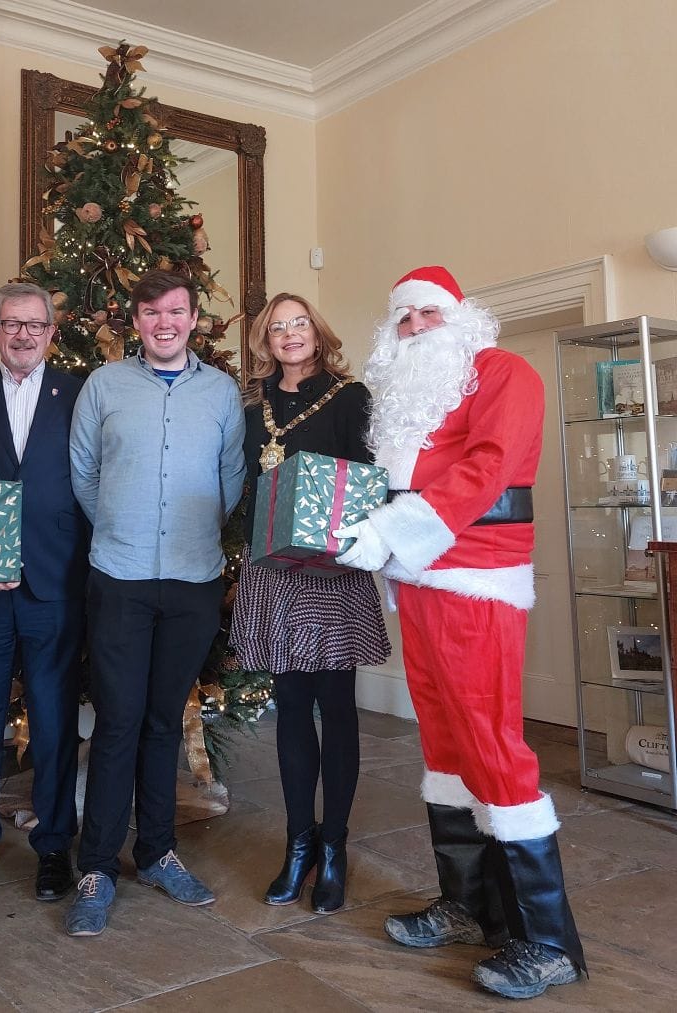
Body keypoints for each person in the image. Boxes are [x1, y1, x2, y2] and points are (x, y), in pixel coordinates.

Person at [333, 266, 586, 1000]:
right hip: (418, 582)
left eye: (428, 313)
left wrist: (390, 530)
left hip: (478, 580)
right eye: (403, 317)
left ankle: (548, 942)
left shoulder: (503, 372)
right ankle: (469, 904)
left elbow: (489, 466)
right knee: (444, 745)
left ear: (460, 316)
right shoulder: (406, 399)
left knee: (489, 741)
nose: (415, 326)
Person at [65, 269, 245, 936]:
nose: (164, 322)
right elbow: (84, 471)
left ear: (193, 318)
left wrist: (187, 532)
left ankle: (157, 852)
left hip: (194, 579)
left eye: (175, 311)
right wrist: (124, 523)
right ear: (135, 319)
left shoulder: (221, 392)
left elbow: (231, 477)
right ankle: (96, 868)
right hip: (120, 573)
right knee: (118, 721)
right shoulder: (104, 385)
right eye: (151, 312)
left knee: (165, 720)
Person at [230, 293, 390, 914]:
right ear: (265, 341)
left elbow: (370, 479)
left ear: (318, 334)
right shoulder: (253, 406)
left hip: (333, 569)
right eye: (277, 327)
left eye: (299, 323)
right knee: (292, 707)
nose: (289, 334)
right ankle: (299, 843)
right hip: (273, 569)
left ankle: (335, 846)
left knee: (336, 706)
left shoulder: (350, 397)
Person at [0, 282, 89, 904]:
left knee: (55, 722)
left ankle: (54, 846)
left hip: (56, 581)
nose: (22, 335)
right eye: (11, 323)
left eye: (34, 325)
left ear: (51, 333)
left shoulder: (81, 394)